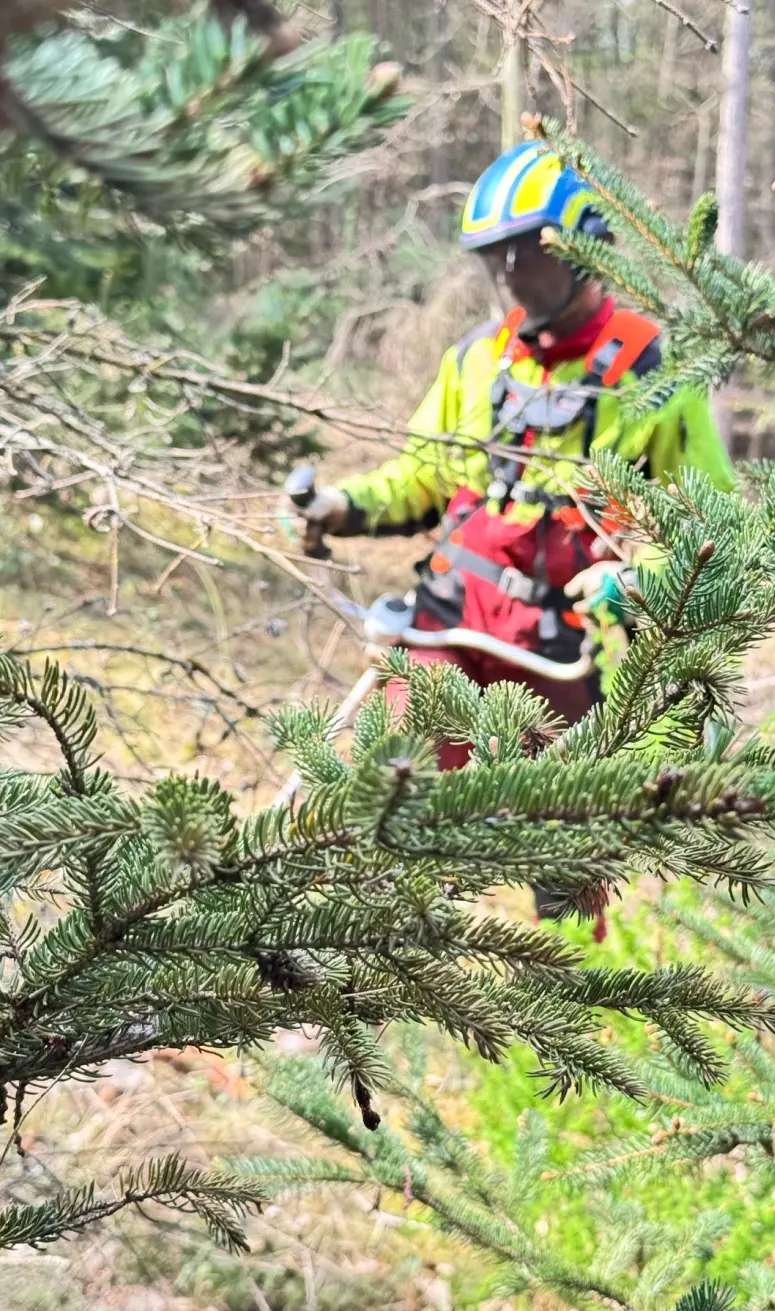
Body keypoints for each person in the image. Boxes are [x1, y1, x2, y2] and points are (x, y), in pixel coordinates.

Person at [287, 140, 735, 931]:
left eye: (527, 255)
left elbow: (703, 521)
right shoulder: (476, 360)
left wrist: (638, 581)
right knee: (388, 793)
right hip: (450, 620)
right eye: (496, 257)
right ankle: (357, 957)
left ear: (583, 251)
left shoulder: (650, 367)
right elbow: (421, 477)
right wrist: (340, 507)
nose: (508, 276)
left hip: (562, 649)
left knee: (564, 860)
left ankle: (567, 1012)